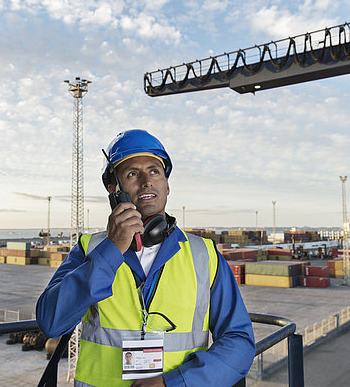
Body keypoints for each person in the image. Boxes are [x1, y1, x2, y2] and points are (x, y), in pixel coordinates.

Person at [36, 129, 255, 386]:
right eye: (132, 174)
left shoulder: (204, 255)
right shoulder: (89, 249)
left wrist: (175, 383)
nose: (146, 181)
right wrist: (112, 249)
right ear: (114, 189)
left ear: (167, 184)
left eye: (154, 171)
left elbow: (239, 343)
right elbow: (51, 323)